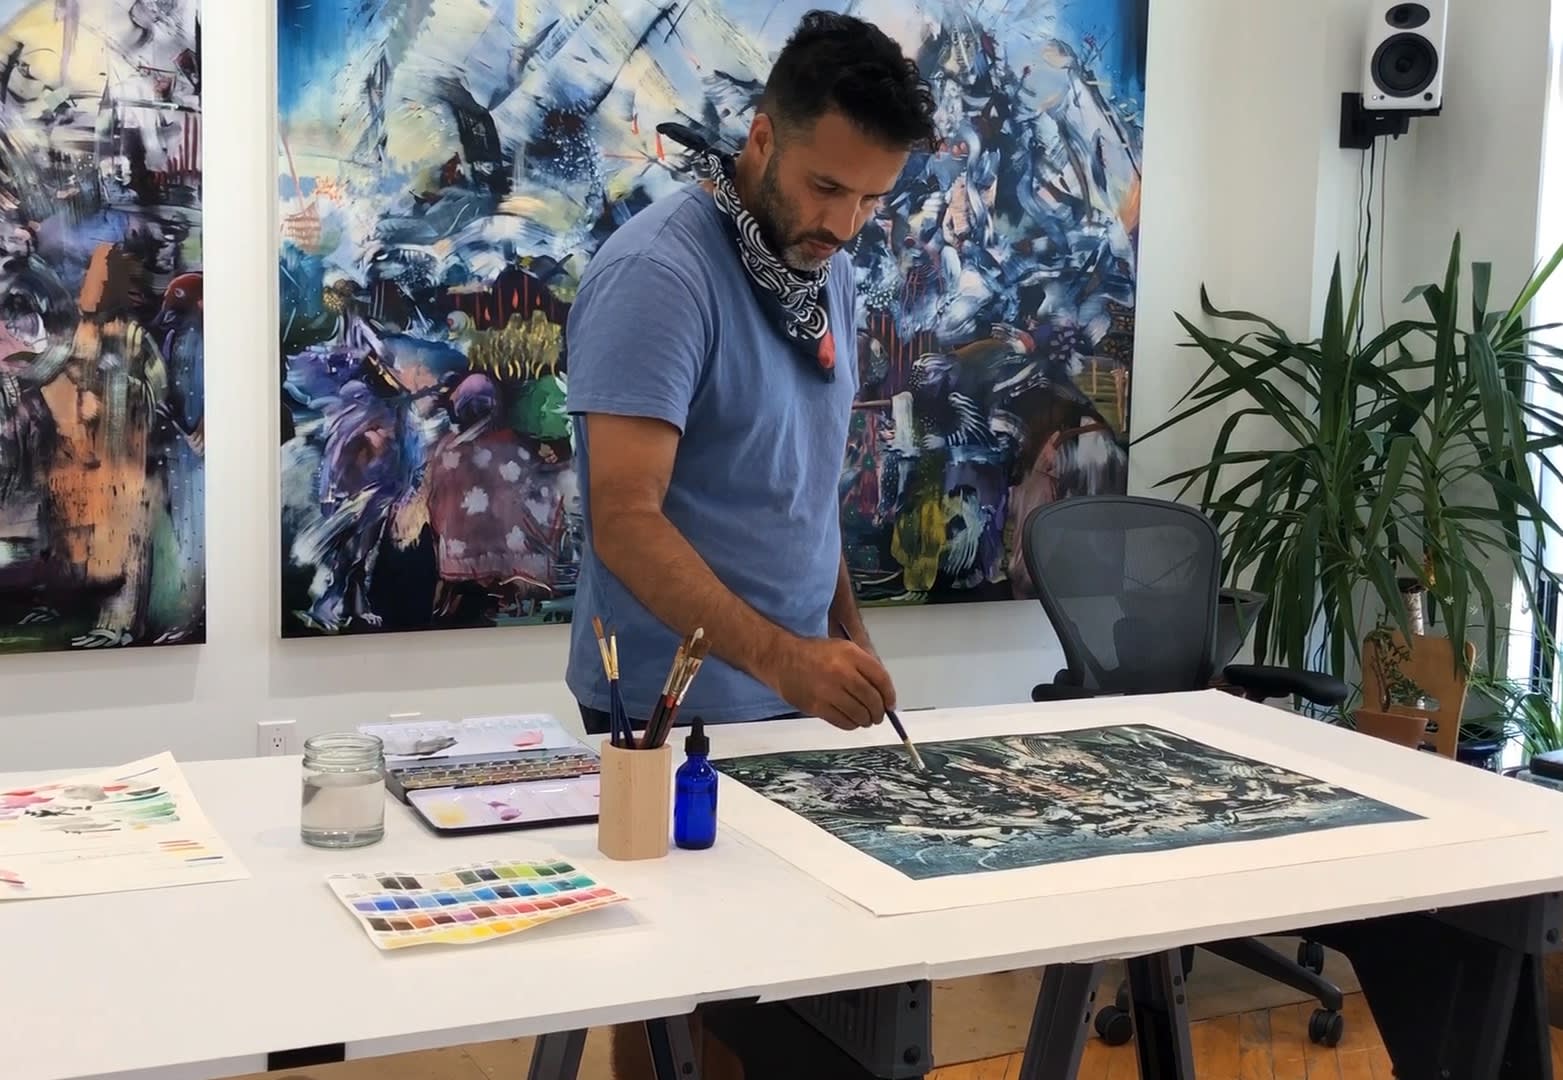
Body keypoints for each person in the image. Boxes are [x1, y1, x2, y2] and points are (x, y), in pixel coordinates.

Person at [565, 10, 938, 739]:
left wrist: (845, 635)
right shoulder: (659, 274)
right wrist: (787, 660)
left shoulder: (825, 270)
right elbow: (623, 520)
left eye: (870, 199)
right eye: (825, 186)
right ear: (761, 139)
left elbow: (802, 487)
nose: (844, 223)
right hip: (662, 707)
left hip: (793, 687)